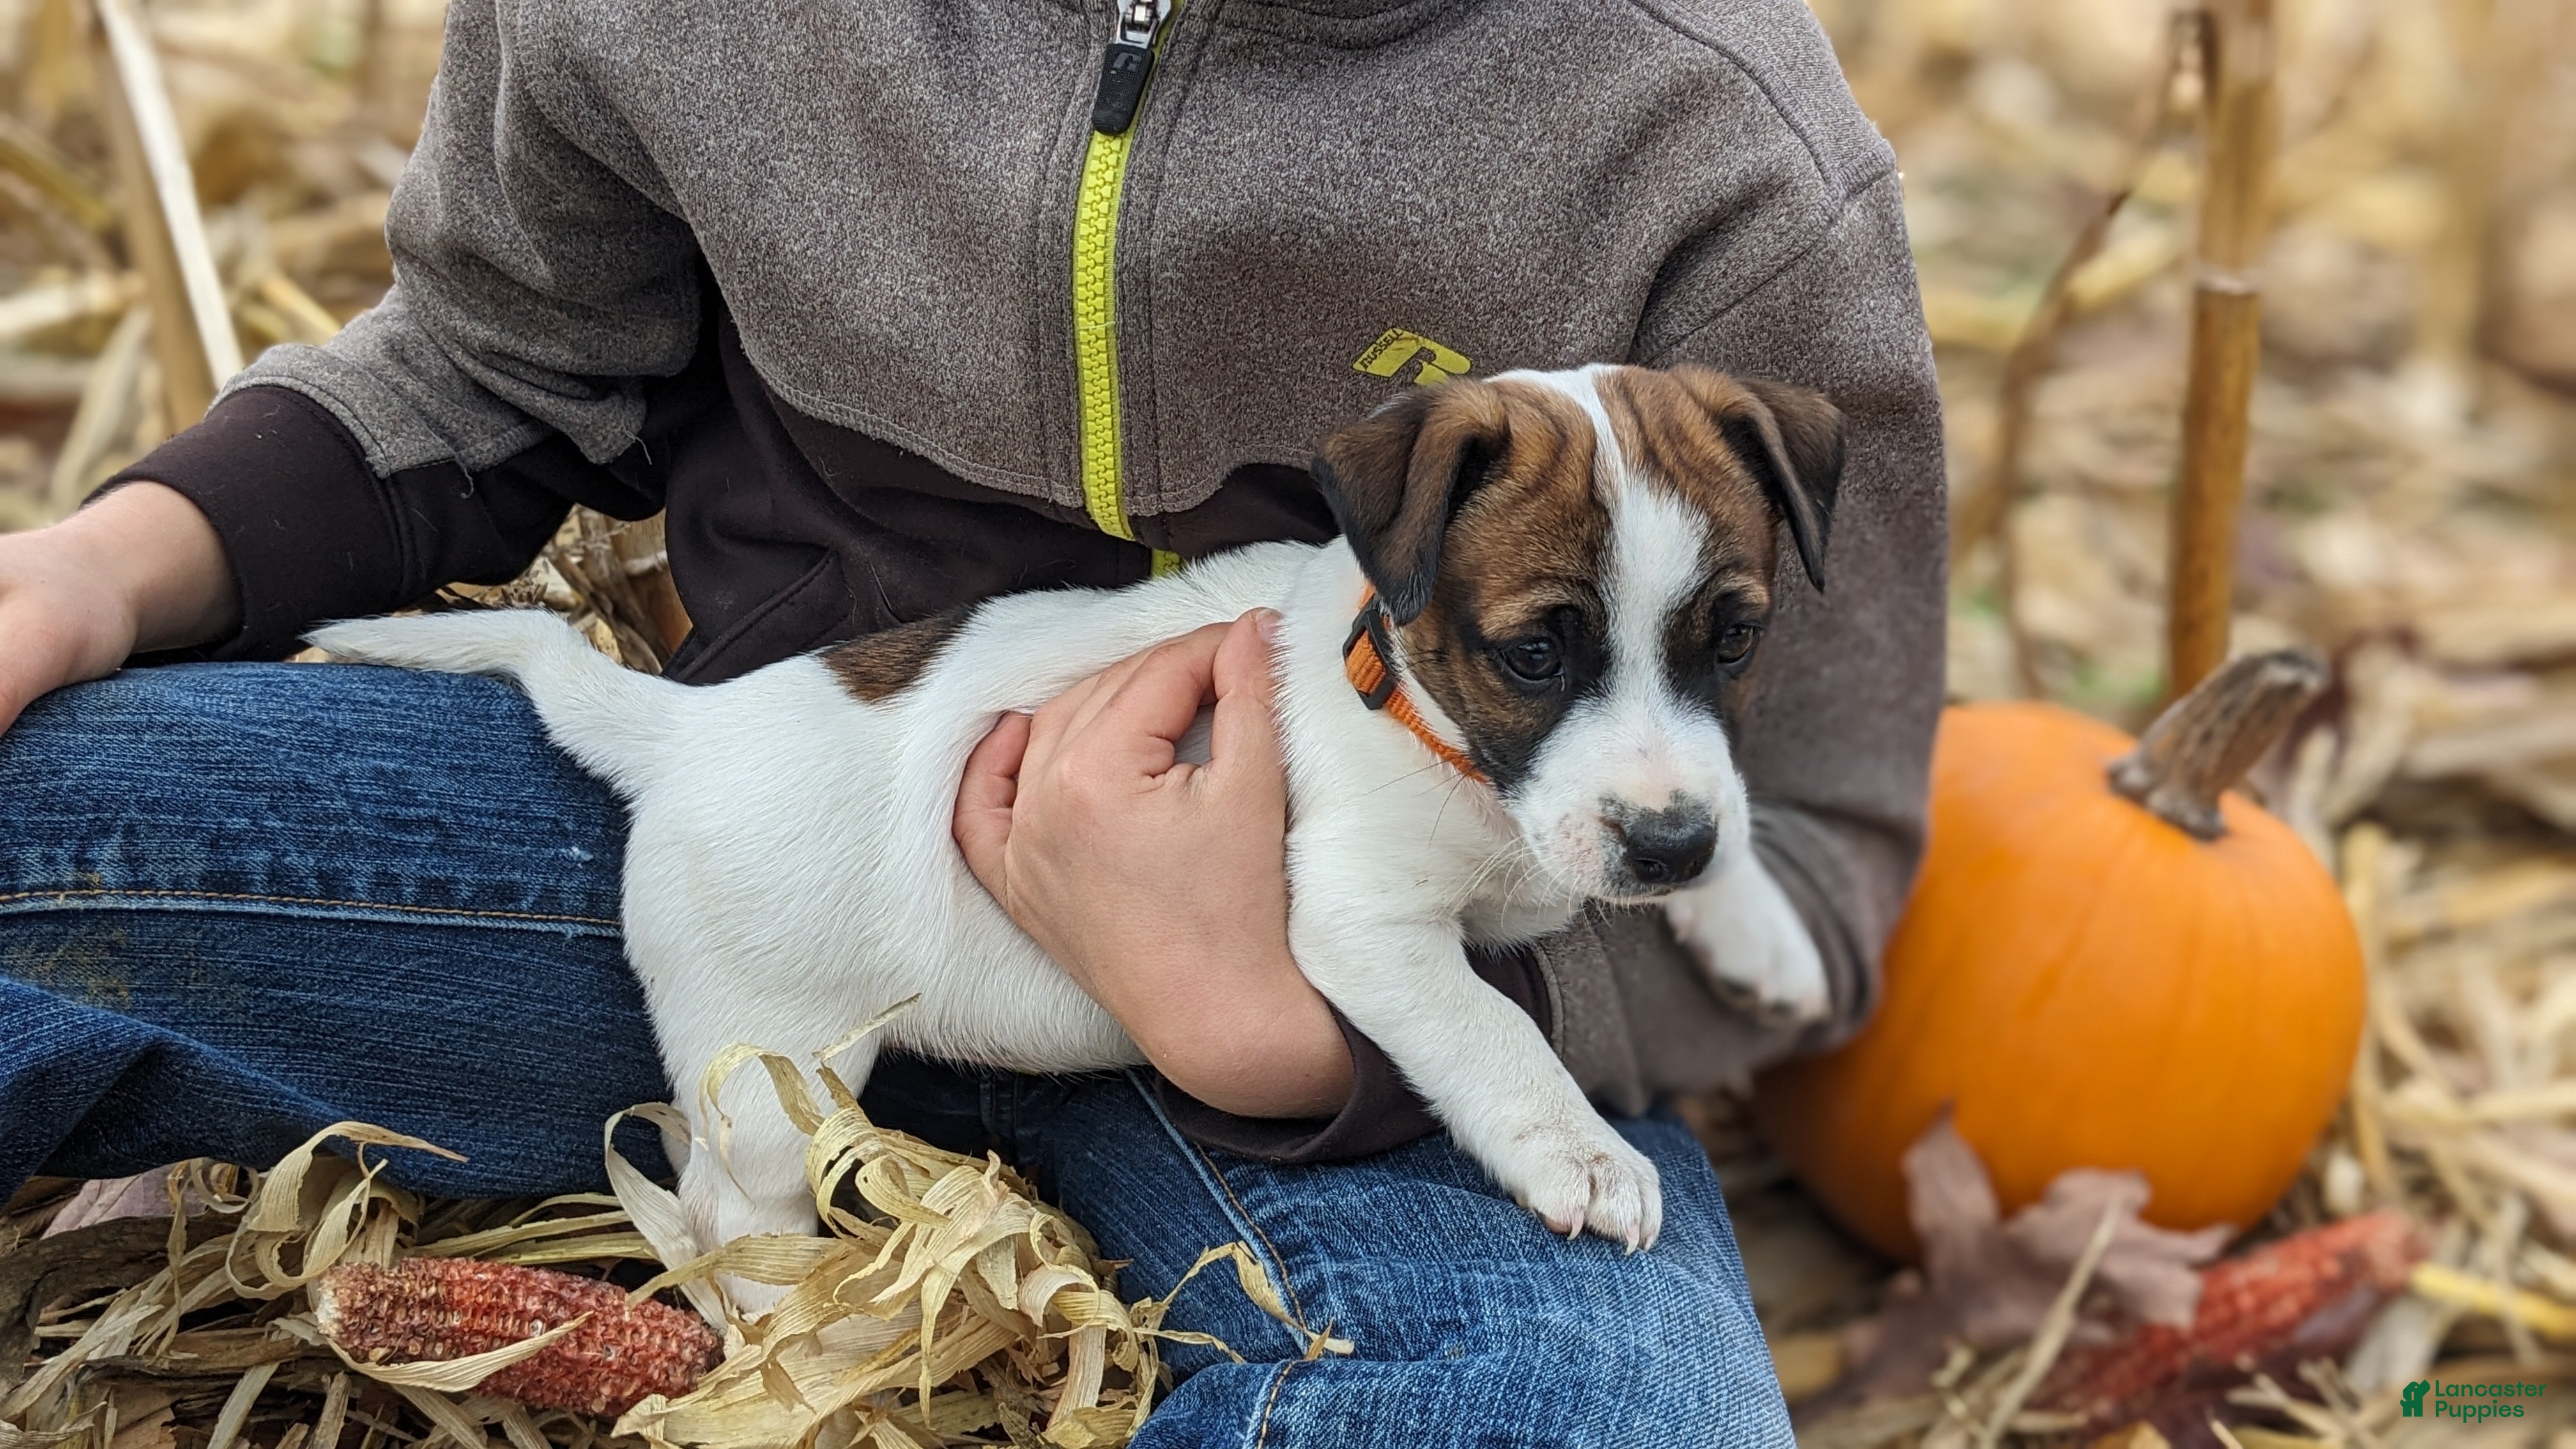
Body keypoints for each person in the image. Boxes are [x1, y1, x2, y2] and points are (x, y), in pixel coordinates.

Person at [0, 0, 1944, 1441]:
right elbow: (492, 365)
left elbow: (1822, 850)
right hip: (774, 846)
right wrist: (103, 565)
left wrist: (1293, 1031)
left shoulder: (1704, 134)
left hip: (1378, 1065)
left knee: (1581, 1415)